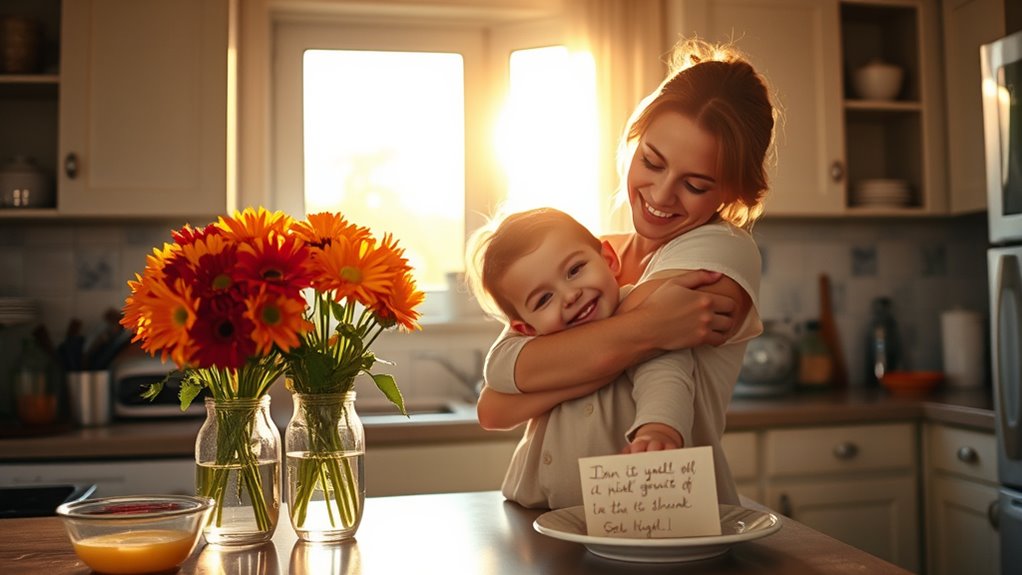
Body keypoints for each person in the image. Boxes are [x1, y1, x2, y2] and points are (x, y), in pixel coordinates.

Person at [474, 37, 776, 509]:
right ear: (633, 143)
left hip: (664, 515)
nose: (661, 193)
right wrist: (649, 326)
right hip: (549, 518)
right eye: (651, 162)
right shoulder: (591, 260)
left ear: (733, 192)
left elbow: (524, 376)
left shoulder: (720, 250)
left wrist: (546, 367)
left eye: (695, 184)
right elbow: (493, 405)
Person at [467, 207, 709, 508]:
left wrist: (658, 429)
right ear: (526, 328)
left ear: (608, 259)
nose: (570, 295)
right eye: (544, 299)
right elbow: (498, 368)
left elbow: (665, 376)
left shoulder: (640, 312)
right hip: (533, 507)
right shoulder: (539, 342)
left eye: (574, 270)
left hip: (616, 512)